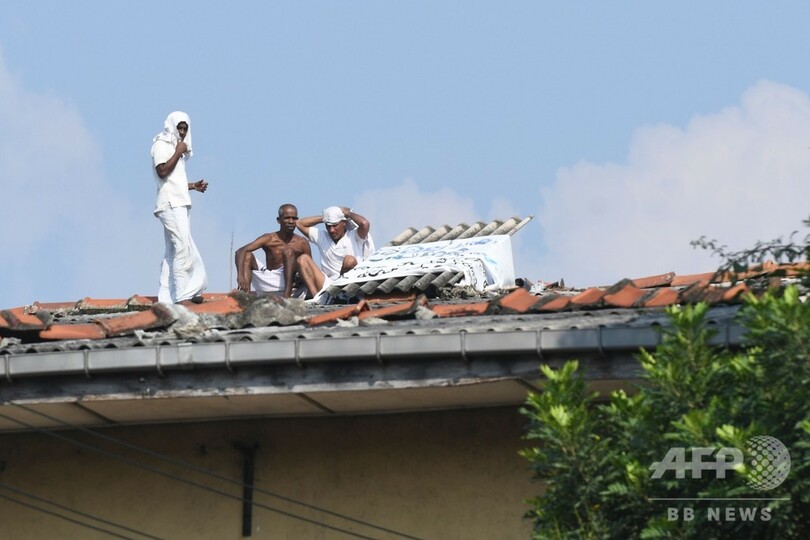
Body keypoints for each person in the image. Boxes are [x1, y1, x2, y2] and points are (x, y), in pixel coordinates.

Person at [151, 111, 209, 304]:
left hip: (179, 203)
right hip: (169, 205)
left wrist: (192, 186)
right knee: (182, 247)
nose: (182, 132)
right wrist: (177, 151)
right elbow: (162, 171)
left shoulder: (176, 149)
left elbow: (172, 182)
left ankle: (168, 297)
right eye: (179, 128)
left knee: (172, 251)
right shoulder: (161, 144)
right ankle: (183, 295)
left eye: (185, 129)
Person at [234, 204, 312, 298]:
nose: (291, 221)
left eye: (294, 218)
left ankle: (286, 298)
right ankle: (245, 295)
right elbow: (240, 251)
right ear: (279, 220)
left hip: (291, 285)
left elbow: (309, 267)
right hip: (269, 281)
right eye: (287, 218)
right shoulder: (269, 238)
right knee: (247, 255)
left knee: (289, 252)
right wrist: (240, 276)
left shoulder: (302, 242)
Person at [295, 206, 375, 297]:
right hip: (327, 285)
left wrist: (347, 213)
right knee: (302, 259)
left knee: (349, 260)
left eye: (335, 225)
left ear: (343, 223)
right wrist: (326, 217)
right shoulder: (322, 237)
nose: (331, 230)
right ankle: (317, 297)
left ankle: (341, 294)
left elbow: (364, 224)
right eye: (328, 226)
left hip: (348, 285)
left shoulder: (354, 236)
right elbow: (300, 223)